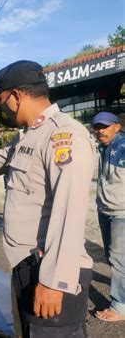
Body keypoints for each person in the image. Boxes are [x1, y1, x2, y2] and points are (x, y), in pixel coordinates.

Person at [0, 60, 96, 337]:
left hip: (51, 269)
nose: (0, 108)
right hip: (27, 265)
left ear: (16, 96)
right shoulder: (31, 135)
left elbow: (69, 213)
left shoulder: (63, 135)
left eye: (1, 101)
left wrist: (54, 281)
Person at [91, 111, 125, 322]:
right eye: (96, 127)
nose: (100, 130)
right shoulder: (101, 148)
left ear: (117, 127)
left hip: (122, 213)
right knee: (112, 257)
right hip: (105, 210)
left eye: (104, 126)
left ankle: (120, 306)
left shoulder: (123, 148)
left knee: (118, 258)